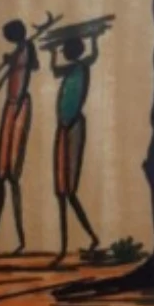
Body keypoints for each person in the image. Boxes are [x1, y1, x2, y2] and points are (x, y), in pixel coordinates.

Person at [0, 19, 38, 255]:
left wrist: (16, 60)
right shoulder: (18, 52)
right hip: (9, 107)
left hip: (19, 108)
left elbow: (34, 66)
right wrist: (11, 60)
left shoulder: (27, 48)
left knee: (12, 176)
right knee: (0, 177)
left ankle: (20, 240)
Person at [49, 34, 100, 265]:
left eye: (65, 50)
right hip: (63, 127)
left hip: (73, 126)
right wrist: (52, 54)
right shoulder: (71, 69)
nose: (64, 53)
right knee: (61, 192)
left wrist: (94, 39)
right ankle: (67, 245)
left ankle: (82, 241)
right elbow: (54, 70)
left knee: (68, 191)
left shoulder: (82, 67)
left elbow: (94, 55)